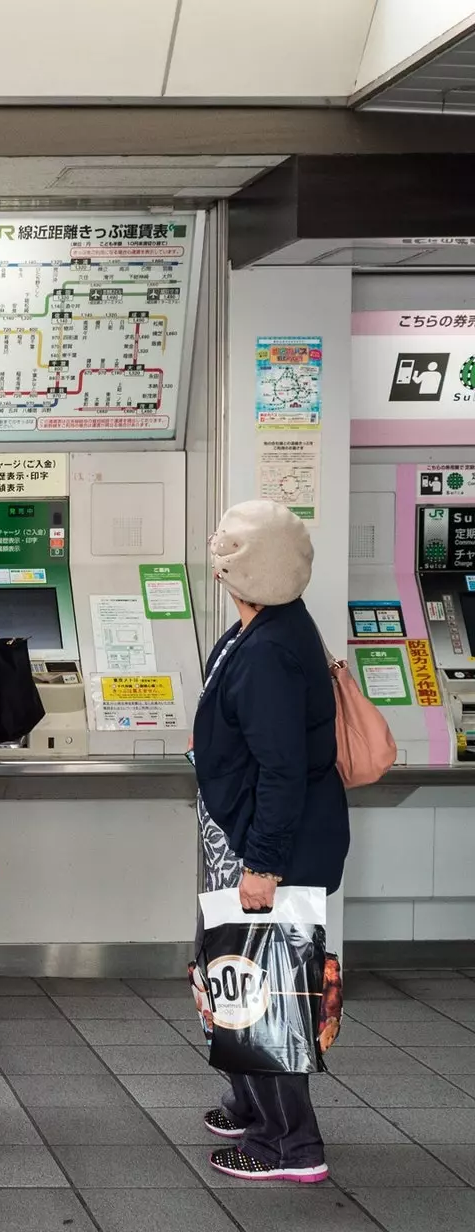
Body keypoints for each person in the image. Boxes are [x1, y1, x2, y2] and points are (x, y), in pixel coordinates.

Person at [193, 500, 348, 1184]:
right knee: (243, 983)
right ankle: (256, 1110)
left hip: (269, 850)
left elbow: (282, 770)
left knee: (268, 993)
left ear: (239, 569)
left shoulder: (270, 654)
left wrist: (263, 866)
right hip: (253, 839)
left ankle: (289, 1145)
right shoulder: (274, 626)